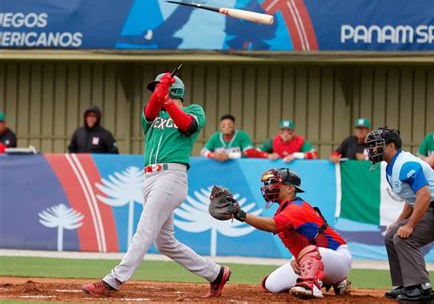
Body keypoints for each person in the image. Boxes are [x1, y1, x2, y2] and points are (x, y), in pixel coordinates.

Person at [82, 71, 230, 297]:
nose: (156, 93)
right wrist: (160, 95)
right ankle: (216, 274)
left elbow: (186, 125)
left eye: (159, 89)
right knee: (165, 243)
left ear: (174, 91)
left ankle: (113, 280)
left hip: (172, 177)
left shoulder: (194, 110)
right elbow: (149, 112)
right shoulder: (153, 114)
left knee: (145, 228)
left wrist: (168, 99)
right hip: (150, 178)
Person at [209, 168, 352, 299]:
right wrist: (294, 259)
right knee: (271, 285)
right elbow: (301, 240)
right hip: (315, 257)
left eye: (275, 183)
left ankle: (314, 286)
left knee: (309, 252)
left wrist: (240, 214)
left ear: (290, 188)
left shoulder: (298, 207)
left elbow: (272, 225)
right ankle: (323, 279)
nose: (269, 187)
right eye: (268, 184)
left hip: (337, 258)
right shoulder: (283, 210)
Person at [365, 127, 434, 302]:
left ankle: (422, 289)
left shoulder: (405, 164)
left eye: (376, 146)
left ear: (390, 146)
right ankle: (404, 285)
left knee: (403, 237)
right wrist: (399, 222)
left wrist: (410, 225)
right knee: (392, 234)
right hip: (429, 207)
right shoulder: (393, 165)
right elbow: (411, 198)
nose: (372, 150)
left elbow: (424, 195)